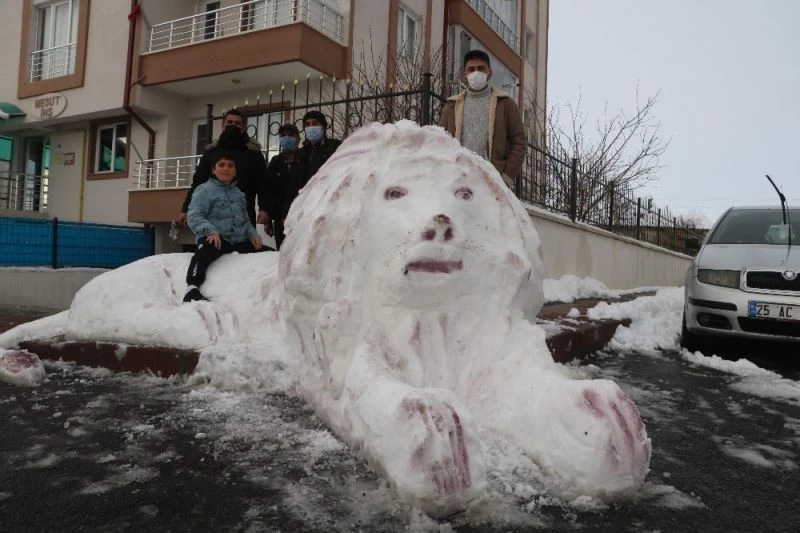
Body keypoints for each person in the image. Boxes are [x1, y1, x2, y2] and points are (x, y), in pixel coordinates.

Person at [439, 50, 527, 190]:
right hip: (457, 179)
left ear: (489, 73)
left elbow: (519, 142)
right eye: (471, 69)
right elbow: (440, 142)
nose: (476, 72)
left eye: (481, 68)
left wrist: (506, 176)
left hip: (492, 181)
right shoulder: (452, 106)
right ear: (465, 74)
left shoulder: (505, 104)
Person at [177, 109, 274, 236]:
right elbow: (198, 181)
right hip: (213, 214)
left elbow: (263, 183)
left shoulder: (253, 154)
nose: (233, 126)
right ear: (223, 125)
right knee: (214, 248)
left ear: (243, 127)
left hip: (244, 214)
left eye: (237, 123)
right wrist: (186, 209)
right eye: (229, 122)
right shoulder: (211, 152)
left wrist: (264, 208)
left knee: (245, 252)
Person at [183, 151, 264, 302]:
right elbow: (194, 216)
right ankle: (192, 288)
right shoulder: (204, 190)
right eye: (221, 165)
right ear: (214, 170)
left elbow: (245, 220)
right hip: (217, 240)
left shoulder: (239, 194)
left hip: (238, 241)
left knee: (268, 253)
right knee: (204, 251)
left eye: (230, 166)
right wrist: (210, 231)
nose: (226, 168)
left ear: (235, 171)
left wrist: (253, 235)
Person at [266, 123, 307, 250]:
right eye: (283, 135)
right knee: (284, 251)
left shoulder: (306, 158)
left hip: (303, 214)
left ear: (298, 139)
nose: (287, 138)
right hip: (281, 218)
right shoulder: (275, 162)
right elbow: (269, 190)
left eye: (291, 135)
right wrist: (269, 218)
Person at [298, 110, 342, 179]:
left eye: (315, 123)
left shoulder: (336, 147)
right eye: (307, 124)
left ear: (323, 127)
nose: (311, 127)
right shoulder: (301, 153)